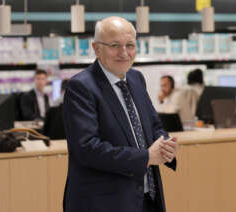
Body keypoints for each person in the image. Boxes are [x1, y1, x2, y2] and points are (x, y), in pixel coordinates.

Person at [62, 16, 178, 212]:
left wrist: (166, 146)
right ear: (96, 48)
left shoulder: (136, 78)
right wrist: (146, 158)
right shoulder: (81, 86)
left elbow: (154, 126)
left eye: (130, 45)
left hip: (147, 198)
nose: (124, 53)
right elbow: (87, 148)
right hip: (104, 203)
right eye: (115, 45)